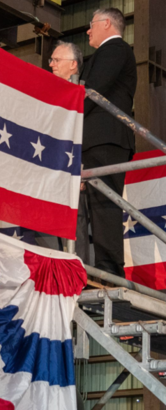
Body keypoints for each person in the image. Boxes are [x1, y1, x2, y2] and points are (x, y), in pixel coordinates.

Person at [77, 8, 137, 277]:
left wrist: (70, 111)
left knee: (105, 206)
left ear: (106, 23)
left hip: (107, 138)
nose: (88, 31)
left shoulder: (114, 49)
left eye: (91, 25)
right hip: (98, 139)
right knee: (98, 206)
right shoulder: (106, 53)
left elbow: (94, 89)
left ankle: (110, 270)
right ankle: (103, 268)